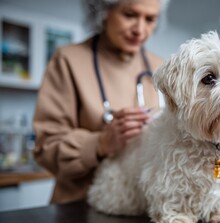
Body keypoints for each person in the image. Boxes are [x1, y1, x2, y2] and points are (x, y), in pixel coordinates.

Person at [33, 0, 169, 204]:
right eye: (129, 15)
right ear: (103, 11)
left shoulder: (161, 68)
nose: (140, 30)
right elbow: (45, 148)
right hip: (79, 208)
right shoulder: (68, 60)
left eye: (150, 19)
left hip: (143, 207)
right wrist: (100, 143)